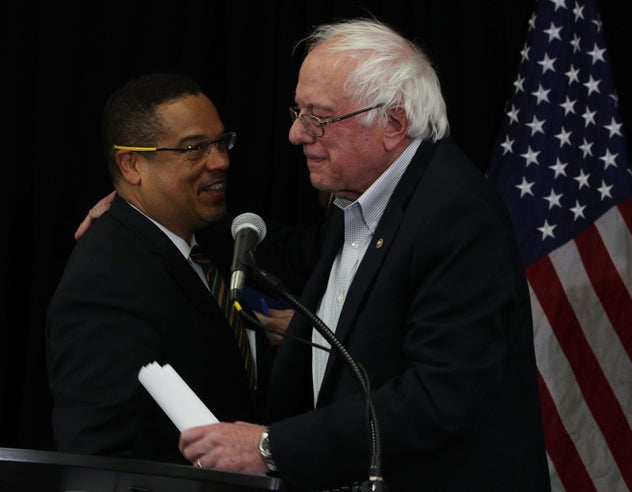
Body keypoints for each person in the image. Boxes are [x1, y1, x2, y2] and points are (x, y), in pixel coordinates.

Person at [178, 18, 551, 491]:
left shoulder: (456, 214)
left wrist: (269, 447)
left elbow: (436, 399)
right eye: (298, 110)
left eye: (319, 117)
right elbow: (297, 255)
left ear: (393, 123)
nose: (296, 133)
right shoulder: (360, 197)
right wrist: (171, 213)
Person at [45, 72, 273, 464]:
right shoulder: (105, 281)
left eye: (220, 142)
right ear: (131, 165)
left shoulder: (214, 237)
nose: (221, 161)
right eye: (194, 148)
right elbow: (98, 458)